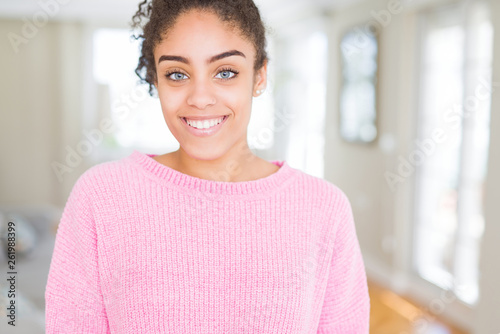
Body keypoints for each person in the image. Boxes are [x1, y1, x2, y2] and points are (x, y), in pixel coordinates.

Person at [44, 0, 370, 332]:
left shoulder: (324, 208)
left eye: (225, 72)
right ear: (157, 81)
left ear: (259, 76)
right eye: (177, 74)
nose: (200, 98)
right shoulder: (101, 196)